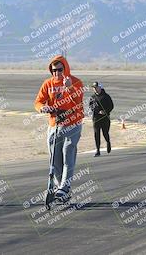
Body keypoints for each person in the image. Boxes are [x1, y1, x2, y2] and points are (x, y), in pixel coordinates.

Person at [34, 55, 84, 201]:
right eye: (54, 70)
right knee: (55, 158)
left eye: (60, 70)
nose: (57, 73)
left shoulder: (75, 82)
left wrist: (69, 87)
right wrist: (43, 108)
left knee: (68, 155)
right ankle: (58, 185)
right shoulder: (48, 84)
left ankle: (64, 187)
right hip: (54, 124)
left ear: (65, 68)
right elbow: (38, 101)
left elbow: (78, 101)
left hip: (72, 124)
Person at [89, 81, 114, 157]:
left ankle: (108, 142)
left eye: (96, 87)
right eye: (94, 88)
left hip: (105, 118)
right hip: (96, 118)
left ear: (100, 87)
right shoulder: (92, 97)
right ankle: (98, 150)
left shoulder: (106, 96)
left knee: (105, 133)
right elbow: (91, 107)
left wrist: (105, 111)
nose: (95, 89)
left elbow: (111, 106)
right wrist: (97, 111)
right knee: (96, 134)